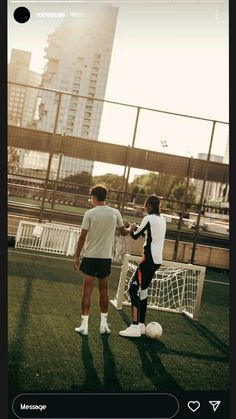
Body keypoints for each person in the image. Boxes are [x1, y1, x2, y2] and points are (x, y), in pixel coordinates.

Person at [74, 185, 131, 336]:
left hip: (90, 257)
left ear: (93, 197)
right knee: (104, 290)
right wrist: (131, 227)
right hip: (105, 258)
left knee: (87, 290)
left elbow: (82, 237)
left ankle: (84, 326)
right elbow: (124, 232)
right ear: (105, 196)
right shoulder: (115, 213)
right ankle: (103, 325)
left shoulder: (90, 213)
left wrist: (77, 257)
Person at [119, 194, 166, 338]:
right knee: (143, 290)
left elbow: (134, 236)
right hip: (157, 260)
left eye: (146, 206)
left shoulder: (148, 218)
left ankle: (134, 326)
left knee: (133, 289)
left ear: (148, 206)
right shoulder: (161, 219)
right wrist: (134, 227)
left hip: (148, 260)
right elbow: (149, 233)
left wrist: (131, 227)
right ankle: (141, 325)